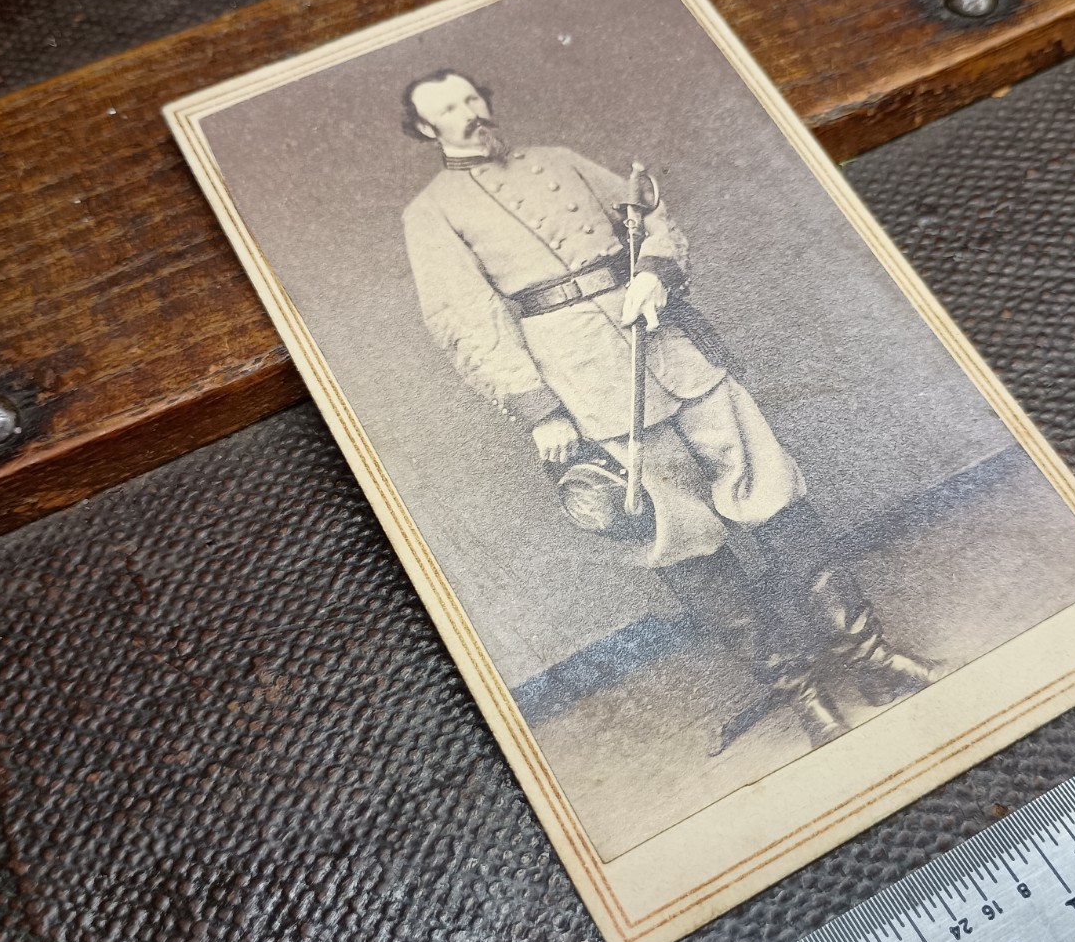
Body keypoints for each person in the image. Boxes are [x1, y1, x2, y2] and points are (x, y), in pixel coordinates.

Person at [399, 68, 935, 749]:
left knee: (774, 493)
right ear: (426, 129)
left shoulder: (558, 160)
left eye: (473, 98)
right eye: (449, 108)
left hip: (669, 345)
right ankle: (798, 689)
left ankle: (868, 654)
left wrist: (653, 271)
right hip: (586, 381)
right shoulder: (433, 211)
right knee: (683, 538)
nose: (470, 113)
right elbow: (465, 320)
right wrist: (542, 412)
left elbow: (646, 210)